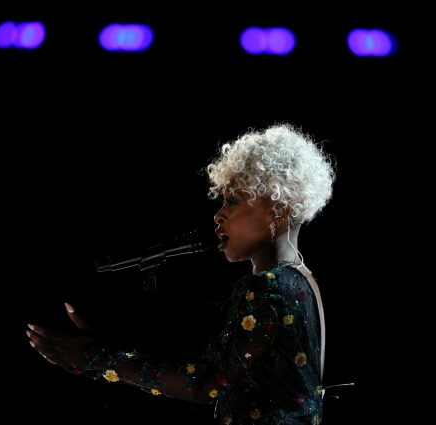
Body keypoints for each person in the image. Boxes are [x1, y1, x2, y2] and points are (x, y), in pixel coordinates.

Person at [26, 122, 337, 424]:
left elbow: (205, 384)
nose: (218, 215)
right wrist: (97, 357)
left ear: (278, 209)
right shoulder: (302, 280)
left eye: (231, 201)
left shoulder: (273, 287)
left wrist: (97, 358)